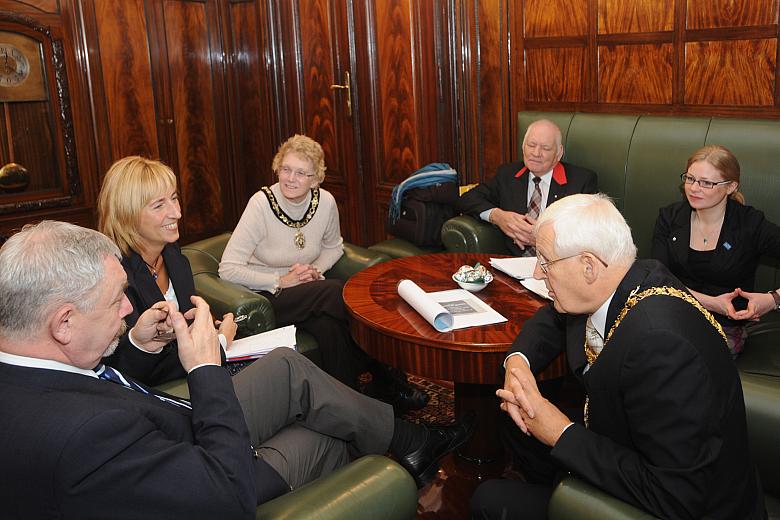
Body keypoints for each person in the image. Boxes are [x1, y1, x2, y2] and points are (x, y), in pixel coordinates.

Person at [0, 221, 475, 519]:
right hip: (202, 465)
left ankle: (409, 444)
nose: (128, 309)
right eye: (115, 301)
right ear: (63, 321)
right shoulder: (81, 437)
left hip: (172, 423)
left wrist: (138, 346)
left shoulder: (32, 360)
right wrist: (205, 369)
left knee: (287, 367)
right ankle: (405, 450)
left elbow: (102, 383)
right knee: (328, 435)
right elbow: (222, 492)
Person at [470, 194, 766, 519]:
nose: (538, 273)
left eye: (545, 260)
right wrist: (518, 363)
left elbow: (676, 495)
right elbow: (552, 319)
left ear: (588, 266)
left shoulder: (660, 346)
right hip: (627, 440)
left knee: (487, 498)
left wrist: (560, 432)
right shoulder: (637, 275)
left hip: (691, 504)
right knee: (515, 422)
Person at [219, 135, 427, 411]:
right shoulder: (261, 204)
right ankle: (391, 378)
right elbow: (228, 269)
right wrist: (280, 280)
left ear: (316, 179)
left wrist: (315, 270)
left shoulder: (325, 203)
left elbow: (334, 247)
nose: (290, 178)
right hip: (268, 297)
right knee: (334, 290)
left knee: (329, 328)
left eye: (301, 173)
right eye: (285, 169)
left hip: (308, 293)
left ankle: (355, 406)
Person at [97, 155, 237, 386]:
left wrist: (207, 328)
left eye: (174, 198)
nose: (177, 213)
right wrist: (218, 343)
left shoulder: (175, 257)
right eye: (159, 205)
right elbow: (125, 367)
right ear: (127, 215)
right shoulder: (113, 274)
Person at [652, 145, 780, 356]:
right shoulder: (670, 217)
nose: (694, 188)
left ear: (730, 187)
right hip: (670, 315)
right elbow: (659, 279)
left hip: (724, 327)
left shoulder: (750, 224)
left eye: (706, 183)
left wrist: (773, 299)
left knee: (674, 356)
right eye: (690, 179)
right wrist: (712, 303)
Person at [457, 119, 598, 256]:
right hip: (513, 265)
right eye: (531, 145)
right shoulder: (508, 174)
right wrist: (499, 217)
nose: (536, 153)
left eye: (546, 148)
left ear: (559, 153)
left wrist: (543, 240)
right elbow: (469, 198)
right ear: (523, 147)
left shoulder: (581, 181)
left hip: (557, 266)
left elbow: (590, 233)